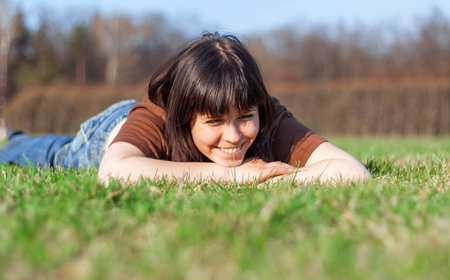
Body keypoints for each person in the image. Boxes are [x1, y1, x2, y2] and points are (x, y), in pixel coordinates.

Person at [0, 32, 370, 184]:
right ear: (185, 117)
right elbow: (114, 171)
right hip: (108, 135)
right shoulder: (160, 116)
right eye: (214, 121)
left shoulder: (270, 116)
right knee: (58, 153)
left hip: (140, 143)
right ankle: (10, 139)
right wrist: (237, 177)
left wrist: (273, 186)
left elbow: (353, 172)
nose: (235, 136)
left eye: (244, 117)